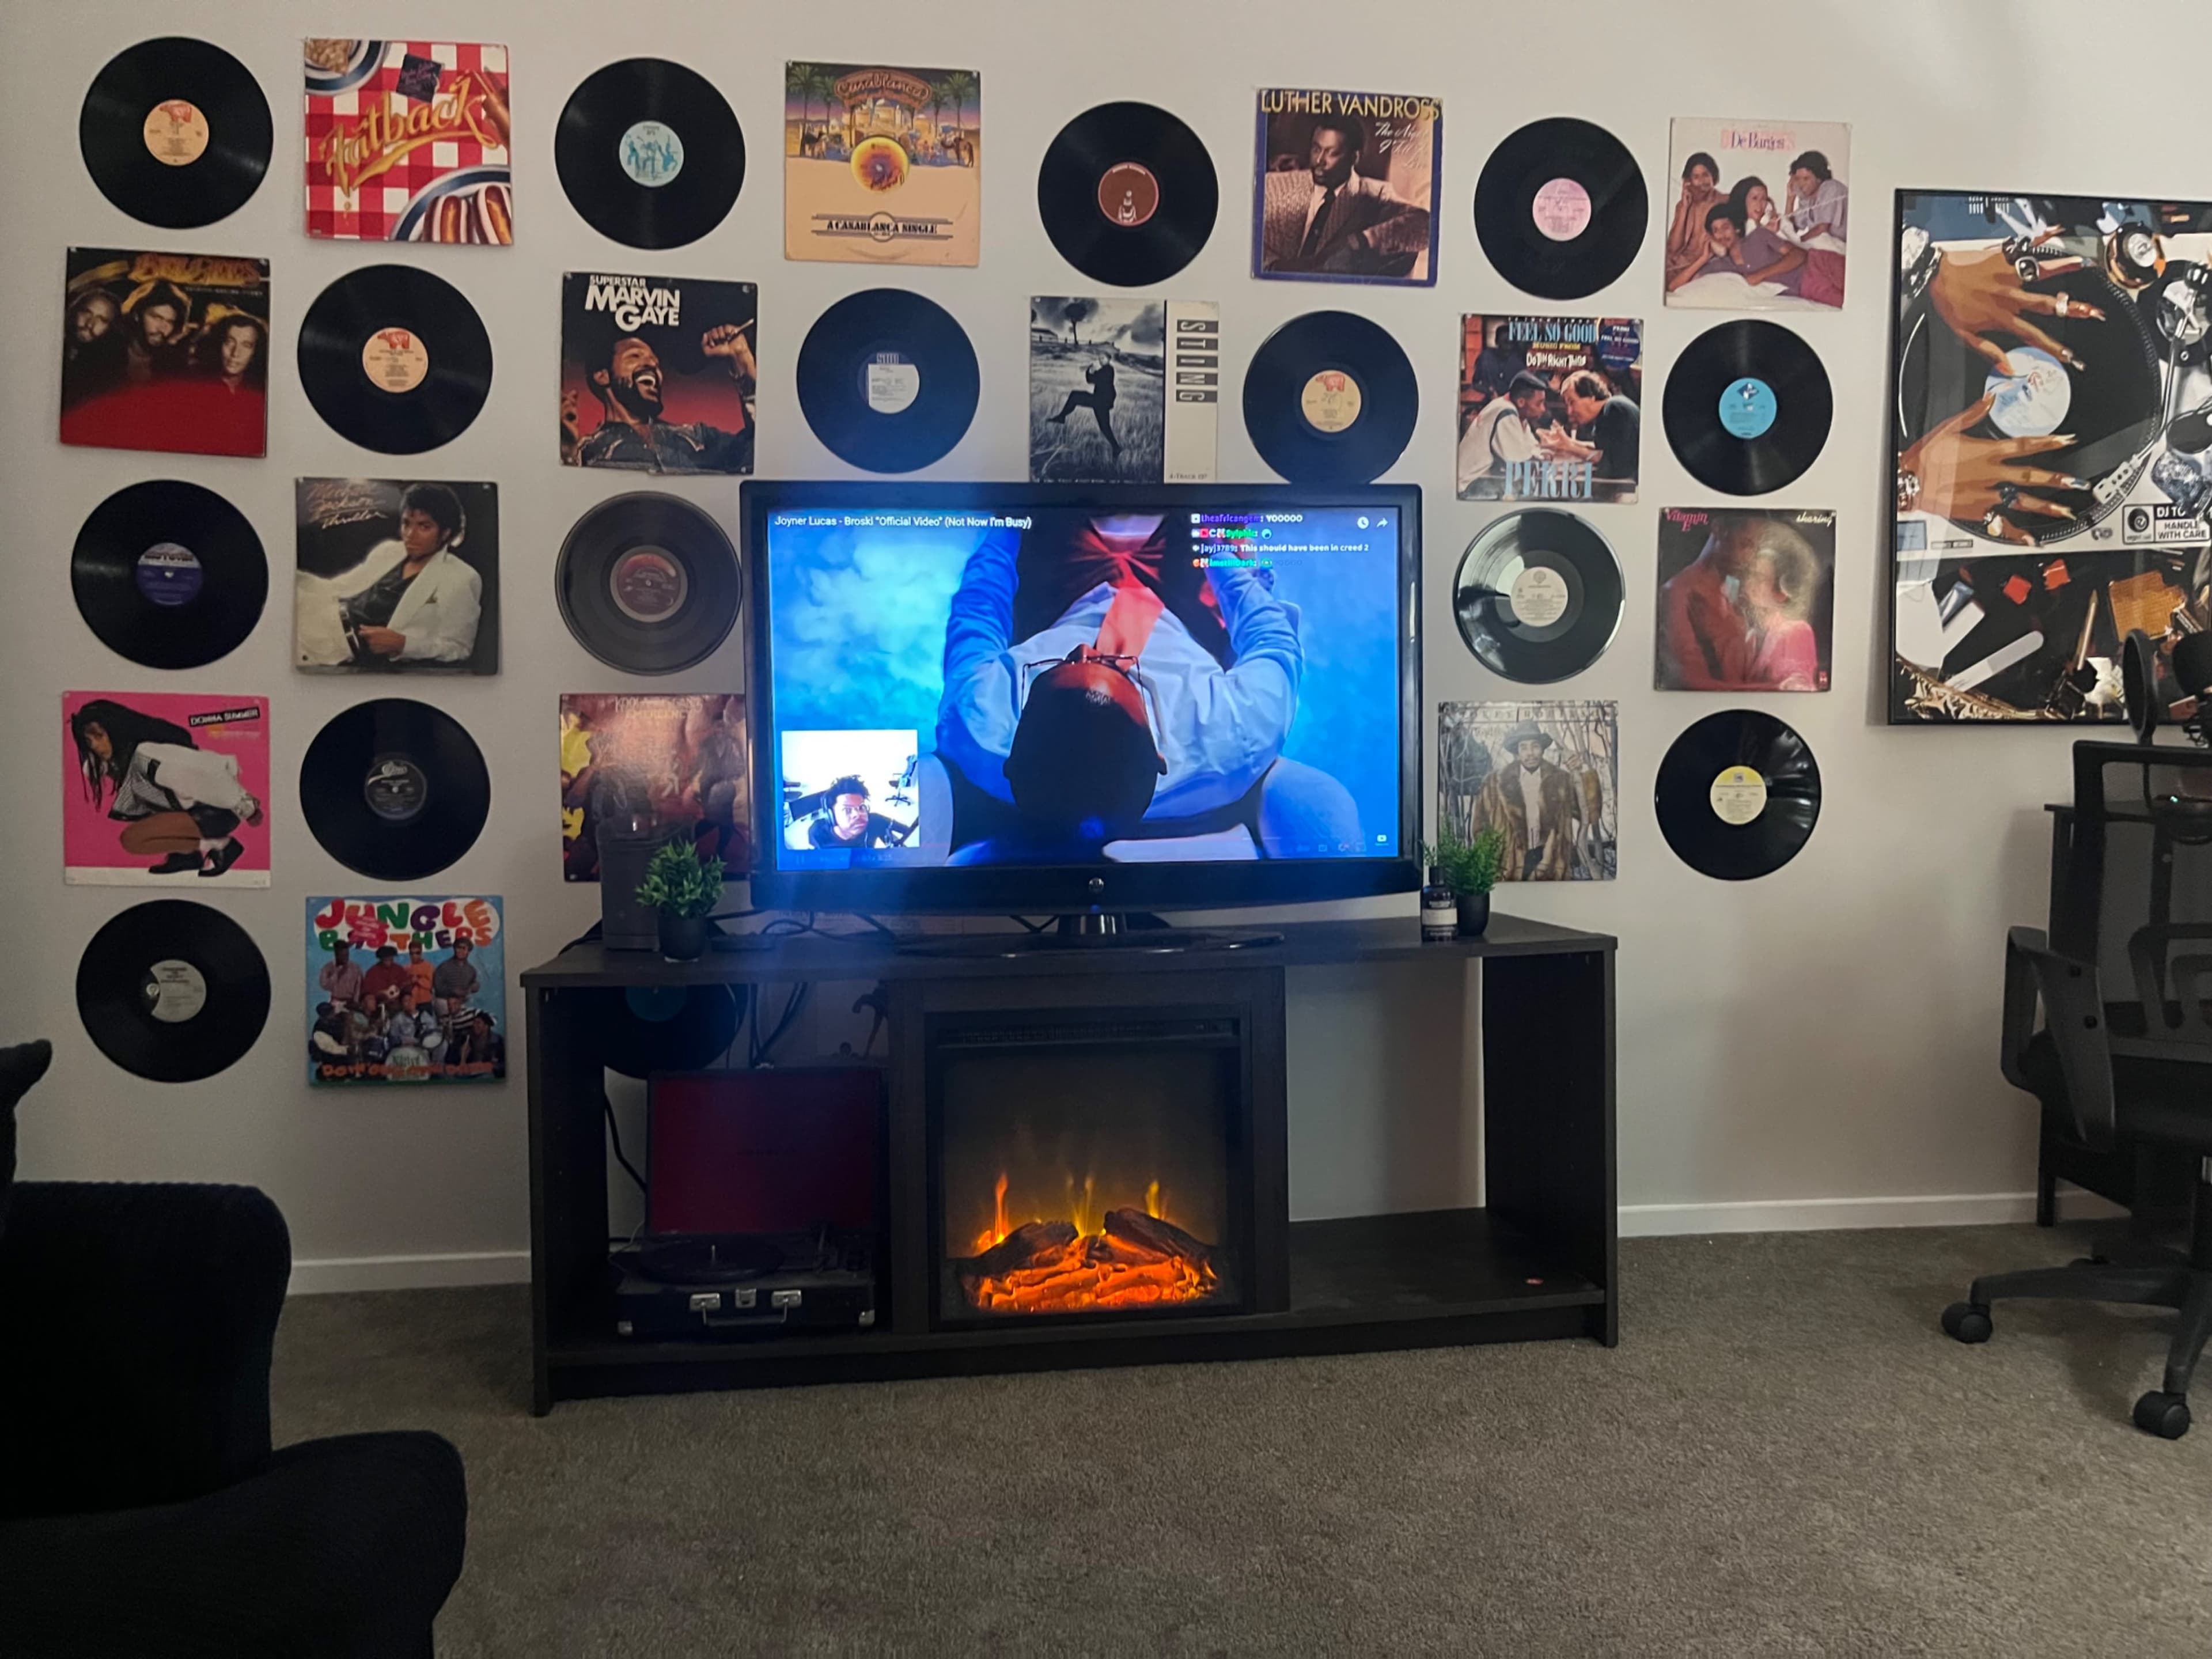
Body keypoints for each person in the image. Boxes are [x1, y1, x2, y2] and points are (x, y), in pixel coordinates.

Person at [934, 514, 1355, 858]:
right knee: (1222, 511)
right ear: (1160, 756)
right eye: (1119, 671)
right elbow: (1271, 639)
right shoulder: (1230, 739)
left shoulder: (978, 725)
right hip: (1180, 607)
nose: (1085, 649)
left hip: (1060, 598)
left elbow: (979, 613)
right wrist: (1216, 550)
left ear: (1011, 760)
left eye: (1064, 664)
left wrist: (1009, 523)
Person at [69, 698, 263, 877]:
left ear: (117, 729)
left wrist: (246, 807)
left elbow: (206, 777)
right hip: (193, 808)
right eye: (89, 741)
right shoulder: (122, 759)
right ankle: (186, 857)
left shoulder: (148, 756)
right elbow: (96, 768)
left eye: (99, 736)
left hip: (215, 811)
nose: (95, 746)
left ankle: (222, 846)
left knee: (133, 839)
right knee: (150, 810)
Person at [298, 483, 483, 669]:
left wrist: (403, 644)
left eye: (424, 526)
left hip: (341, 652)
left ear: (446, 533)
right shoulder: (391, 550)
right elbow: (339, 587)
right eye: (406, 523)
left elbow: (459, 648)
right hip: (320, 618)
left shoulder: (462, 578)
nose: (410, 534)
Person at [561, 323, 755, 472]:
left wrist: (741, 358)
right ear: (602, 376)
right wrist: (567, 451)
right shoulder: (586, 449)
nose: (652, 365)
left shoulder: (698, 438)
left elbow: (757, 450)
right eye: (635, 356)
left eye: (656, 362)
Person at [1258, 114, 1429, 277]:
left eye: (1332, 153)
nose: (1319, 160)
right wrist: (1274, 267)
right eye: (1316, 149)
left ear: (1354, 158)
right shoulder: (1277, 184)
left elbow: (1424, 224)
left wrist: (1360, 242)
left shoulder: (1375, 192)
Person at [1469, 722, 1588, 882]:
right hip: (1507, 867)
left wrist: (1582, 773)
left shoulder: (1562, 781)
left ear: (1542, 749)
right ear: (1517, 752)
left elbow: (1586, 812)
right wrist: (1494, 858)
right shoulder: (1494, 783)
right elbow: (1479, 828)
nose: (1530, 753)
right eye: (1524, 747)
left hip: (1550, 864)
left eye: (1535, 746)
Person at [1736, 531, 1824, 691]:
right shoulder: (1751, 637)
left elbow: (1798, 686)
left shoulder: (1797, 630)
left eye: (1761, 578)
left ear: (1782, 591)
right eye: (1751, 575)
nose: (1751, 583)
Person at [1456, 371, 1553, 494]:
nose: (1543, 409)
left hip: (1481, 483)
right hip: (1470, 487)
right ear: (1521, 402)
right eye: (1539, 403)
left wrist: (1543, 455)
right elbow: (1519, 463)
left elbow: (1532, 449)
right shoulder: (1506, 412)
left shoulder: (1518, 415)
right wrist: (1542, 459)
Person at [1552, 370, 1640, 484]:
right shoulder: (1607, 412)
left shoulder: (1615, 409)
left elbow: (1614, 463)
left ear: (1591, 397)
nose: (1569, 411)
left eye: (1572, 402)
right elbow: (1604, 450)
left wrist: (1571, 448)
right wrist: (1568, 443)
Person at [1666, 151, 1726, 285]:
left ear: (1713, 177)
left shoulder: (1725, 202)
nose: (1702, 182)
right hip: (1678, 266)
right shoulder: (1683, 206)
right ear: (1688, 181)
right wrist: (1684, 209)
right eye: (1696, 177)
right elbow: (1674, 249)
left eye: (1705, 175)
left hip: (1707, 265)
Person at [1044, 356, 1120, 456]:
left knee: (1075, 396)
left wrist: (1091, 371)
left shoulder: (1108, 370)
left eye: (1103, 358)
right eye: (1100, 358)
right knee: (1104, 427)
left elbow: (1093, 379)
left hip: (1101, 401)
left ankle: (1061, 417)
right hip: (1099, 400)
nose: (1101, 360)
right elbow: (1091, 379)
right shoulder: (1105, 370)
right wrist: (1090, 371)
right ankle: (1116, 447)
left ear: (1109, 359)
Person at [807, 776, 905, 849]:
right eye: (847, 810)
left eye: (861, 807)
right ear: (831, 816)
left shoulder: (875, 821)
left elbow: (909, 831)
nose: (858, 814)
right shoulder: (818, 833)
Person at [1781, 151, 1848, 246]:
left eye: (1806, 179)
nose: (1801, 184)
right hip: (1825, 247)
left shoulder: (1831, 187)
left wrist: (1797, 243)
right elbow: (1789, 230)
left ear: (1819, 178)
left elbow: (1822, 229)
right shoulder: (1807, 198)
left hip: (1843, 248)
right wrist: (1790, 199)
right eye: (1798, 179)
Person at [359, 944, 412, 1021]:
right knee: (369, 1001)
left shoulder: (399, 970)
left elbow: (406, 986)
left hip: (397, 1000)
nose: (388, 961)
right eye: (386, 959)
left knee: (408, 1000)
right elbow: (366, 990)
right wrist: (380, 994)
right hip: (378, 1001)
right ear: (381, 959)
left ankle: (408, 1023)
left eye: (390, 959)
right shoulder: (372, 972)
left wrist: (405, 994)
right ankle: (370, 1025)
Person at [319, 941, 365, 1012]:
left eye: (347, 955)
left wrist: (356, 1002)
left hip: (351, 1004)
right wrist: (337, 974)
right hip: (335, 1003)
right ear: (336, 954)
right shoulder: (328, 968)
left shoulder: (355, 968)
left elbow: (359, 986)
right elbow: (325, 986)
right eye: (342, 955)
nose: (345, 958)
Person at [404, 939, 435, 1011]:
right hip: (411, 1002)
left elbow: (430, 985)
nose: (414, 956)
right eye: (412, 953)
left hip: (426, 1002)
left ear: (421, 953)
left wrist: (418, 980)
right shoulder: (406, 968)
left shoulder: (429, 967)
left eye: (417, 953)